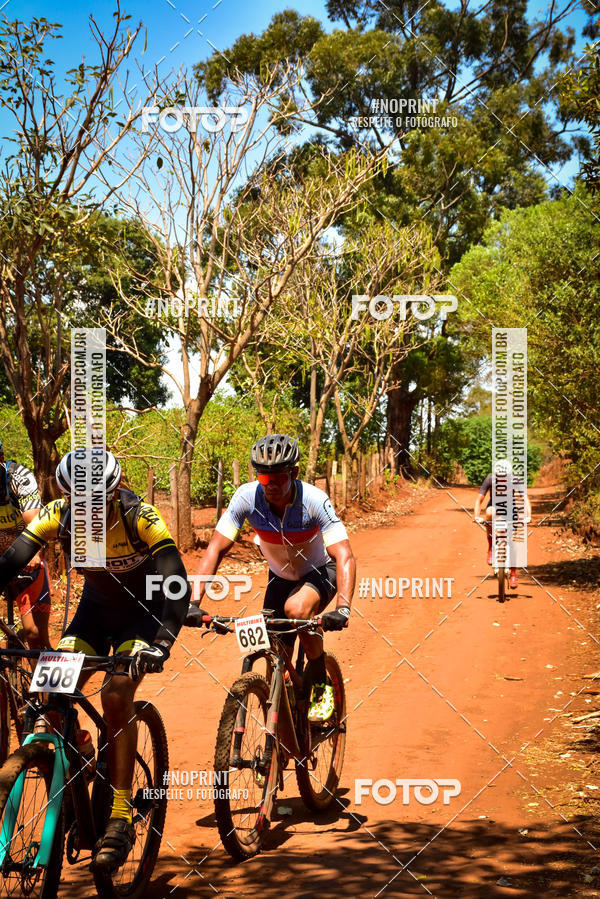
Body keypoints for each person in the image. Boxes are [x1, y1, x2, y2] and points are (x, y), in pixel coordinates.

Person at [0, 449, 190, 872]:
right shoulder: (55, 514)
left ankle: (120, 815)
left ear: (115, 491)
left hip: (143, 615)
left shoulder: (141, 516)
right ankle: (77, 764)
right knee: (50, 694)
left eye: (96, 505)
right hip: (93, 614)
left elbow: (176, 582)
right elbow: (9, 563)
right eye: (78, 506)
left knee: (118, 695)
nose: (87, 515)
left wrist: (162, 641)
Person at [186, 434, 356, 722]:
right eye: (264, 479)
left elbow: (344, 556)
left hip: (319, 571)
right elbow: (215, 548)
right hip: (280, 578)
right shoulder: (246, 497)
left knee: (297, 610)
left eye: (278, 478)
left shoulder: (314, 500)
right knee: (273, 656)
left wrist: (343, 607)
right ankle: (281, 738)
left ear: (294, 473)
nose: (271, 486)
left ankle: (320, 682)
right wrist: (193, 602)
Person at [0, 442, 51, 649]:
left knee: (34, 634)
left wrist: (34, 554)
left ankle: (41, 680)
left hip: (25, 555)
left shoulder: (18, 478)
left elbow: (36, 522)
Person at [473, 460, 532, 590]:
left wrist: (528, 516)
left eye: (505, 477)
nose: (502, 480)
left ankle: (513, 574)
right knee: (488, 513)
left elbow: (525, 499)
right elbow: (479, 500)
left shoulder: (516, 480)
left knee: (514, 543)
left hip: (511, 510)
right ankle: (490, 548)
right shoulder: (489, 479)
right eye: (499, 477)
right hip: (494, 507)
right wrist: (476, 516)